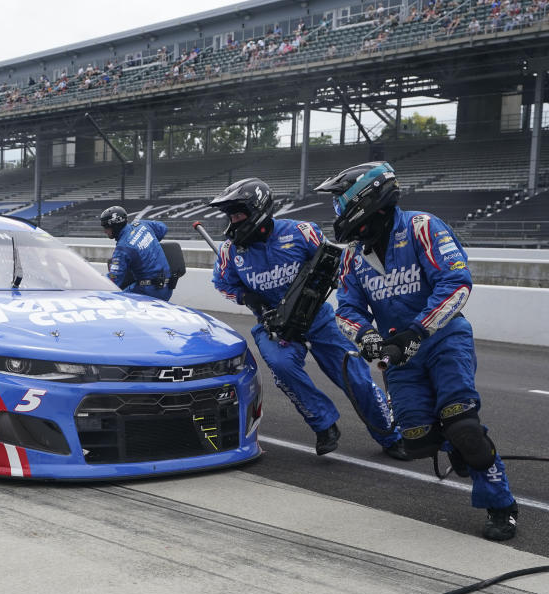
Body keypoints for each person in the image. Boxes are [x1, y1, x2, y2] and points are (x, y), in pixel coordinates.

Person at [315, 161, 518, 541]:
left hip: (444, 340)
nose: (337, 212)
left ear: (365, 198)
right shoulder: (353, 255)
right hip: (398, 355)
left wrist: (417, 331)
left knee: (464, 424)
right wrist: (367, 338)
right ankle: (459, 445)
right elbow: (347, 310)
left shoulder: (422, 227)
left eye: (339, 203)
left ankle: (501, 504)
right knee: (417, 440)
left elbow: (456, 284)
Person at [208, 178, 406, 458]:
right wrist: (247, 298)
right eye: (230, 215)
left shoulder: (301, 232)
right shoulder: (230, 251)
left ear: (257, 209)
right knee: (281, 366)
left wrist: (331, 284)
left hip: (319, 318)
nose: (233, 220)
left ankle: (390, 435)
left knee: (356, 377)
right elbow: (223, 284)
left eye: (238, 213)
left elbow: (335, 262)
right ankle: (324, 424)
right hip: (273, 325)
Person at [100, 206, 172, 301]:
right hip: (167, 288)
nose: (104, 231)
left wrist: (97, 284)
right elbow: (163, 228)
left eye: (106, 227)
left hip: (148, 292)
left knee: (115, 301)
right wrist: (146, 243)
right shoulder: (142, 225)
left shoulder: (123, 248)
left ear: (115, 227)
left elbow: (114, 279)